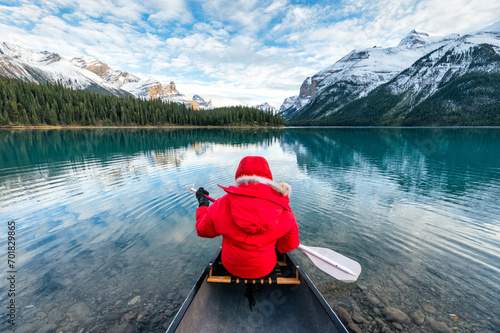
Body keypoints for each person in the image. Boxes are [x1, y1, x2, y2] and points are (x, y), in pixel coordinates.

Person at [195, 156, 300, 279]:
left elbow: (202, 230)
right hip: (265, 267)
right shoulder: (282, 208)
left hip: (231, 266)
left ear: (239, 176)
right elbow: (289, 245)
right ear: (268, 177)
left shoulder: (222, 204)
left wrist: (203, 205)